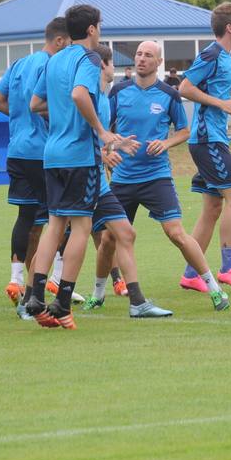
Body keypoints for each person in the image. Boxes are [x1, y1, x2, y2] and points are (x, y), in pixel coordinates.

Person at [22, 4, 136, 329]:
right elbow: (79, 94)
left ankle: (35, 294)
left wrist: (62, 111)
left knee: (55, 225)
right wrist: (101, 131)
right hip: (78, 156)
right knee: (82, 228)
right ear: (91, 30)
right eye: (99, 26)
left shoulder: (54, 60)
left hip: (52, 154)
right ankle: (62, 301)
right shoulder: (90, 60)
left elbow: (35, 103)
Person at [106, 40, 228, 311]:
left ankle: (213, 288)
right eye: (138, 54)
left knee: (176, 233)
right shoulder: (118, 91)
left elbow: (184, 131)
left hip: (156, 177)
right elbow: (103, 131)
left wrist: (166, 143)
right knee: (107, 239)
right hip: (123, 178)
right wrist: (112, 148)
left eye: (148, 55)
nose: (141, 59)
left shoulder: (169, 95)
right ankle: (98, 292)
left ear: (159, 62)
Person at [81, 44, 171, 317]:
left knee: (111, 235)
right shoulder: (97, 96)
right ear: (104, 66)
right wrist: (104, 153)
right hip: (94, 176)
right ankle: (59, 295)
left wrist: (113, 147)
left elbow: (105, 136)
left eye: (146, 55)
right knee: (71, 233)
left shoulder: (102, 97)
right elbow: (94, 134)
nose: (137, 61)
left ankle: (120, 298)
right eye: (111, 64)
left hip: (108, 178)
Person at [0, 18, 70, 311]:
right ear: (60, 41)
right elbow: (53, 106)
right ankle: (53, 280)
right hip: (45, 153)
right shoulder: (52, 66)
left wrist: (20, 118)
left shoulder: (18, 64)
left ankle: (16, 279)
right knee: (63, 218)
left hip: (17, 151)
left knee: (27, 217)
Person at [179, 2, 231, 291]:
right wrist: (221, 102)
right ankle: (227, 268)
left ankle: (190, 274)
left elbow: (211, 89)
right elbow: (185, 87)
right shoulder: (212, 53)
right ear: (229, 28)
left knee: (212, 207)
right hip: (207, 140)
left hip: (213, 138)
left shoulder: (226, 57)